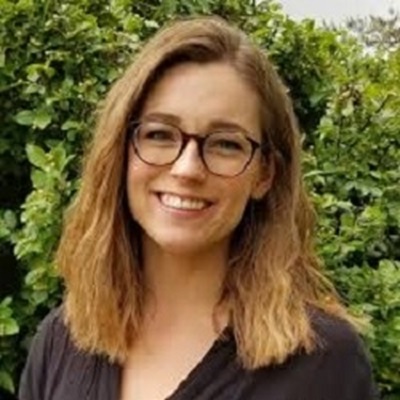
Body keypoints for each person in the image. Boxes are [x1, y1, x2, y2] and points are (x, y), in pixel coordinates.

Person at [18, 16, 378, 400]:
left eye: (226, 144)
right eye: (159, 134)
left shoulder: (324, 365)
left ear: (264, 174)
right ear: (120, 152)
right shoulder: (62, 341)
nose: (187, 169)